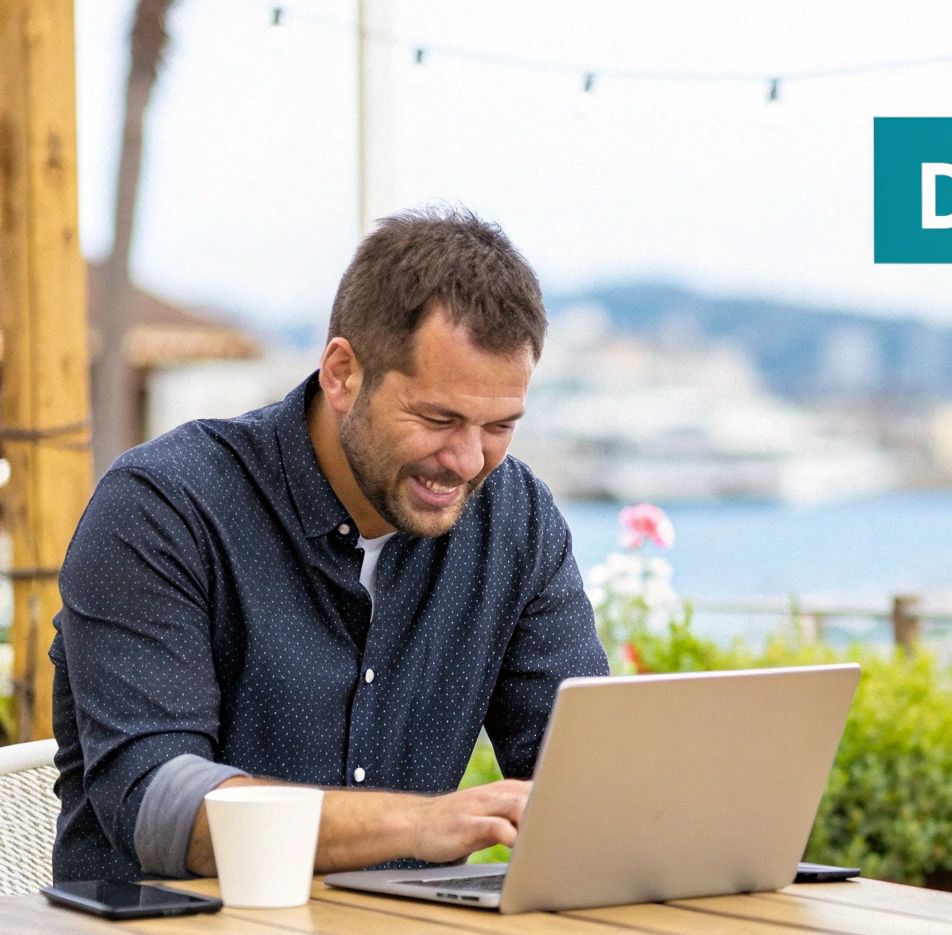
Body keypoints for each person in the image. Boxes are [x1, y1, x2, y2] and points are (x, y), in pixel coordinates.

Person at [48, 205, 612, 884]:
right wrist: (420, 825)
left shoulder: (515, 519)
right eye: (438, 418)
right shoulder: (165, 506)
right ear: (342, 373)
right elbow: (160, 806)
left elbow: (584, 776)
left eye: (499, 426)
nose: (467, 462)